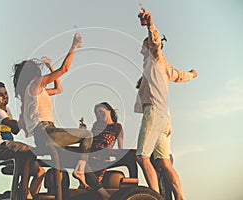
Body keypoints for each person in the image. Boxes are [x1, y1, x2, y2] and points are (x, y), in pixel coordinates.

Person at [12, 33, 111, 200]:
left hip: (41, 136)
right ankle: (80, 172)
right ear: (34, 74)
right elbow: (64, 69)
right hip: (47, 131)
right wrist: (73, 47)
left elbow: (58, 89)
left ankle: (103, 194)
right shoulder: (35, 84)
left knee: (81, 158)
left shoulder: (33, 92)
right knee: (87, 134)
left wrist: (51, 68)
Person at [134, 8, 198, 200]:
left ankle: (154, 196)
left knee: (142, 157)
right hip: (165, 118)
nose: (141, 48)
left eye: (143, 45)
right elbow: (181, 75)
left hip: (154, 114)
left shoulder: (155, 57)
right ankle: (180, 197)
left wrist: (150, 25)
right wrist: (193, 74)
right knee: (164, 162)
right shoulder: (165, 68)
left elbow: (155, 41)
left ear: (149, 47)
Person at [0, 82, 44, 199]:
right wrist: (28, 114)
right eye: (0, 95)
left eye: (5, 93)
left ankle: (27, 195)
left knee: (40, 172)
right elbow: (15, 126)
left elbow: (14, 131)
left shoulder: (7, 110)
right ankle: (24, 190)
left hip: (7, 145)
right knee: (28, 150)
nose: (5, 96)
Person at [76, 102, 124, 187]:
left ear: (109, 111)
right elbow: (89, 141)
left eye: (101, 111)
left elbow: (121, 148)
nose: (99, 114)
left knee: (96, 183)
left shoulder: (117, 127)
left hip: (102, 158)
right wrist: (83, 132)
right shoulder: (96, 126)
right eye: (97, 113)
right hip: (90, 156)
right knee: (86, 184)